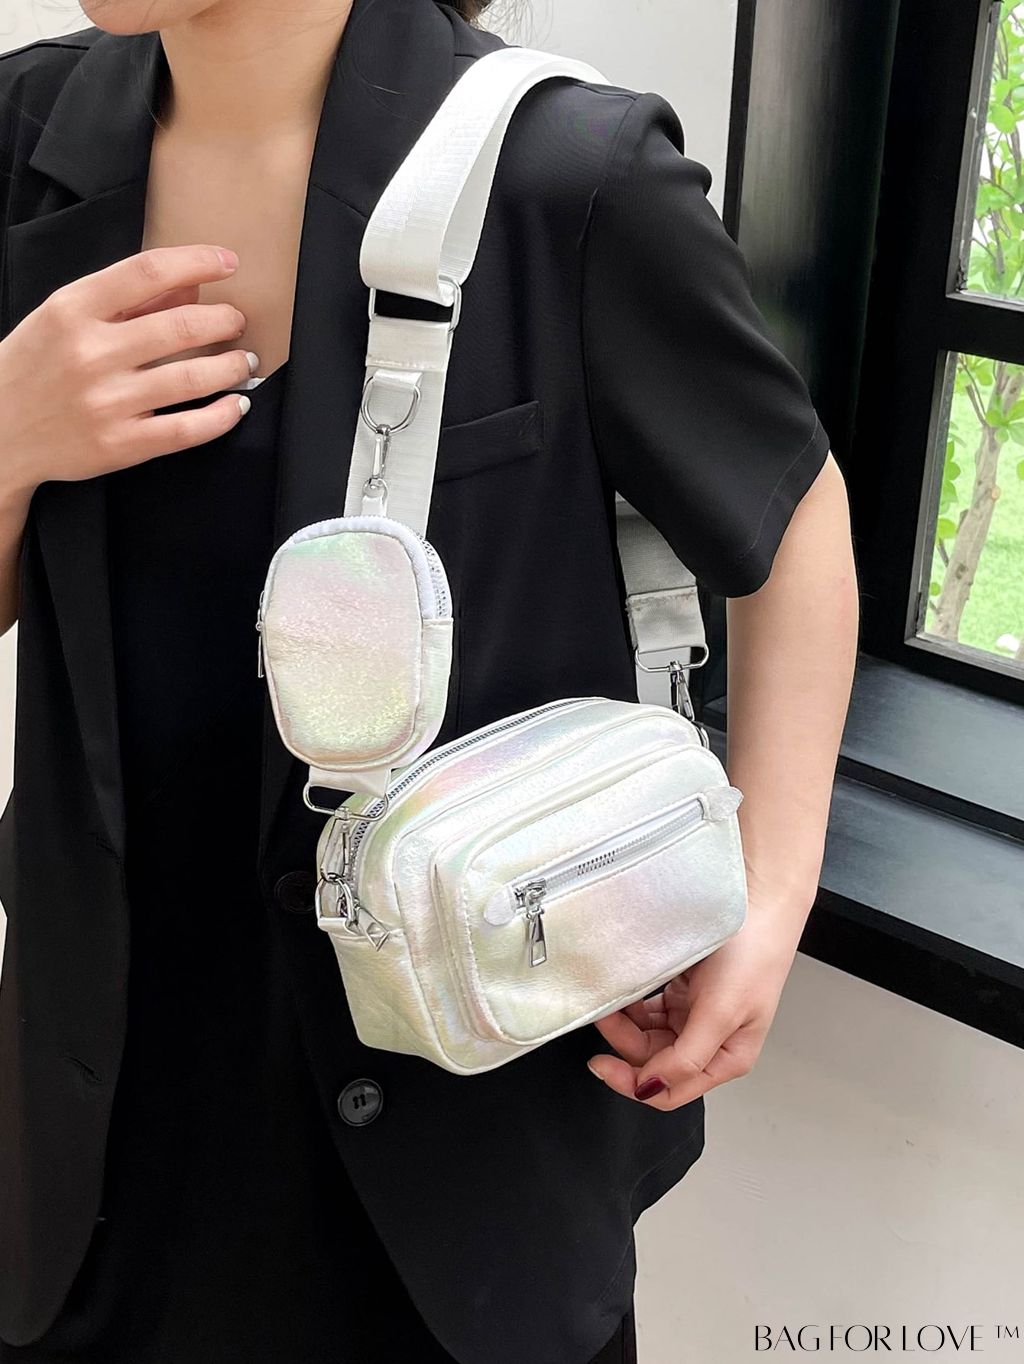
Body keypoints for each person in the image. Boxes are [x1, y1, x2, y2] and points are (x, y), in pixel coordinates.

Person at [0, 0, 859, 1360]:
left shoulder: (568, 172)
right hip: (94, 1149)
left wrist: (773, 888)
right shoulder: (26, 137)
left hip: (469, 1164)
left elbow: (791, 515)